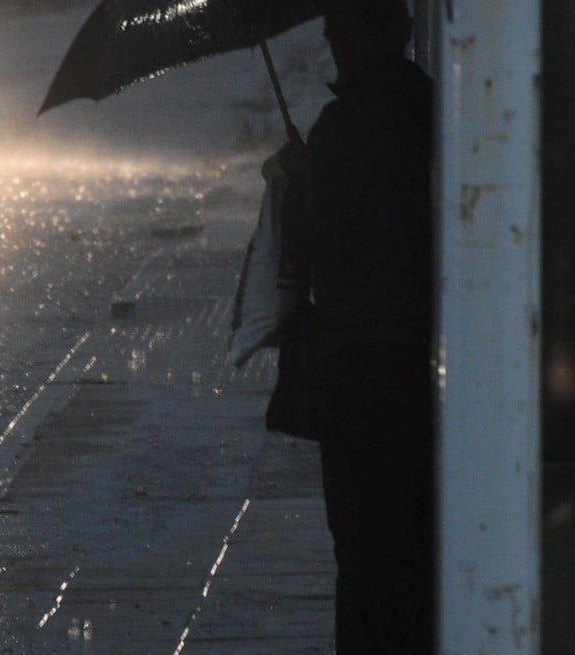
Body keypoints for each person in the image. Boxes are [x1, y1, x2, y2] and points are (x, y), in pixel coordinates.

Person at [277, 1, 435, 652]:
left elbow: (312, 241)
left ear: (356, 40)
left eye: (336, 31)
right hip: (424, 364)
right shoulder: (434, 114)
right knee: (414, 545)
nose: (329, 42)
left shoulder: (343, 129)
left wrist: (295, 180)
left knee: (363, 554)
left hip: (356, 364)